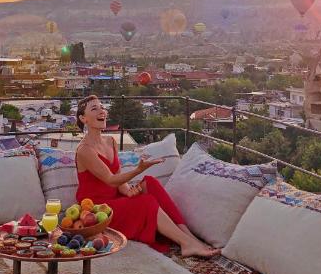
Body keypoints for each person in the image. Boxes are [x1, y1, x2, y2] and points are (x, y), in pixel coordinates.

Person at [75, 94, 219, 257]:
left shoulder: (111, 141)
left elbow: (117, 175)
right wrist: (138, 170)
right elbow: (110, 179)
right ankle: (186, 244)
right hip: (97, 210)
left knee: (150, 182)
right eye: (94, 109)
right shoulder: (84, 150)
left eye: (102, 107)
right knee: (146, 201)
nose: (102, 111)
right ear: (83, 118)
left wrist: (128, 191)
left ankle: (190, 238)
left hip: (115, 198)